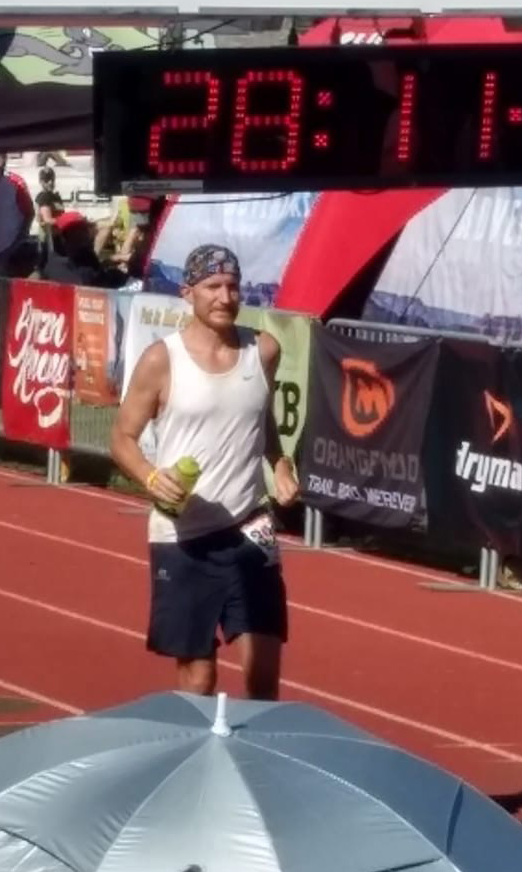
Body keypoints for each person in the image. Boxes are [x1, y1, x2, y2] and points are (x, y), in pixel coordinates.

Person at [109, 244, 300, 701]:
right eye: (213, 286)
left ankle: (256, 747)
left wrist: (279, 464)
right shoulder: (162, 359)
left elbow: (262, 420)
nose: (224, 297)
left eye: (232, 286)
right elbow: (121, 438)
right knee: (199, 678)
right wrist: (151, 477)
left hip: (249, 526)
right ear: (188, 292)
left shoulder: (263, 350)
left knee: (262, 672)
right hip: (183, 535)